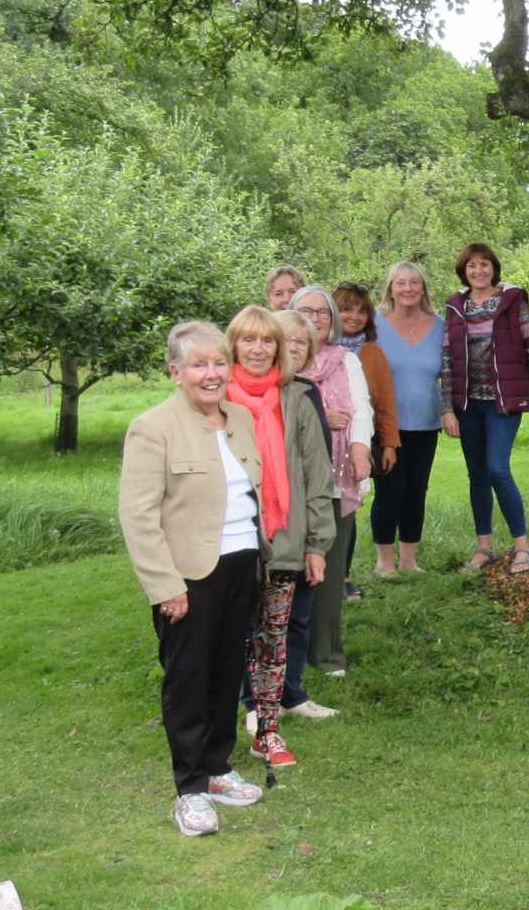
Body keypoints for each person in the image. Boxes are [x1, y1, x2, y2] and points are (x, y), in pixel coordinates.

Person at [117, 321, 268, 836]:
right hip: (187, 575)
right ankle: (190, 790)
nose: (211, 374)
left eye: (218, 362)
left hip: (240, 564)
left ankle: (218, 768)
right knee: (189, 679)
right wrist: (165, 586)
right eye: (199, 365)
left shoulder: (240, 418)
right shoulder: (152, 427)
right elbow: (138, 515)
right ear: (175, 372)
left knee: (227, 673)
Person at [224, 306, 336, 770]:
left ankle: (267, 730)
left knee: (273, 639)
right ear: (232, 346)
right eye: (247, 340)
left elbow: (317, 475)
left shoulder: (297, 399)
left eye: (266, 341)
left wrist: (316, 545)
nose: (257, 349)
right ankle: (212, 728)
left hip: (286, 541)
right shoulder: (214, 398)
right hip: (228, 543)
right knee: (226, 637)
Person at [441, 242, 529, 574]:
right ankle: (485, 548)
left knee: (498, 469)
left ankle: (523, 548)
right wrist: (447, 408)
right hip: (468, 404)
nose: (479, 270)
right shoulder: (456, 307)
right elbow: (446, 361)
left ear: (494, 268)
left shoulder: (513, 301)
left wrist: (515, 386)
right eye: (472, 265)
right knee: (477, 475)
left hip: (502, 404)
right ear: (464, 271)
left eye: (484, 264)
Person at [289, 285, 374, 675]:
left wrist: (359, 449)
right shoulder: (282, 360)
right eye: (306, 311)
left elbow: (360, 409)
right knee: (288, 567)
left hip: (338, 476)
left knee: (331, 567)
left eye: (323, 312)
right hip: (290, 479)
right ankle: (284, 653)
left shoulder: (346, 360)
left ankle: (326, 653)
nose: (316, 318)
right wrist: (325, 415)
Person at [268, 308, 340, 722]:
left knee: (299, 613)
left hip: (305, 521)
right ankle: (253, 702)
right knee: (259, 622)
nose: (294, 347)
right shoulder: (246, 394)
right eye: (287, 339)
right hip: (268, 527)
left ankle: (291, 694)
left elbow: (320, 468)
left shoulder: (308, 391)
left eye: (302, 342)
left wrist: (318, 536)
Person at [371, 262, 444, 576]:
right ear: (391, 288)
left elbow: (451, 372)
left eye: (414, 283)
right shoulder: (374, 324)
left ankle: (410, 560)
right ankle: (384, 562)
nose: (408, 289)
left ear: (423, 288)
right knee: (389, 491)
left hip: (426, 423)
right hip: (385, 424)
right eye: (401, 283)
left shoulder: (440, 325)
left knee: (417, 490)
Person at [334, 281, 401, 596]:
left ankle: (343, 577)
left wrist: (388, 444)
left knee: (348, 508)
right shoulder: (315, 349)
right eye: (347, 309)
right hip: (323, 441)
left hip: (360, 442)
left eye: (362, 311)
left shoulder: (373, 353)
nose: (354, 316)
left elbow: (385, 402)